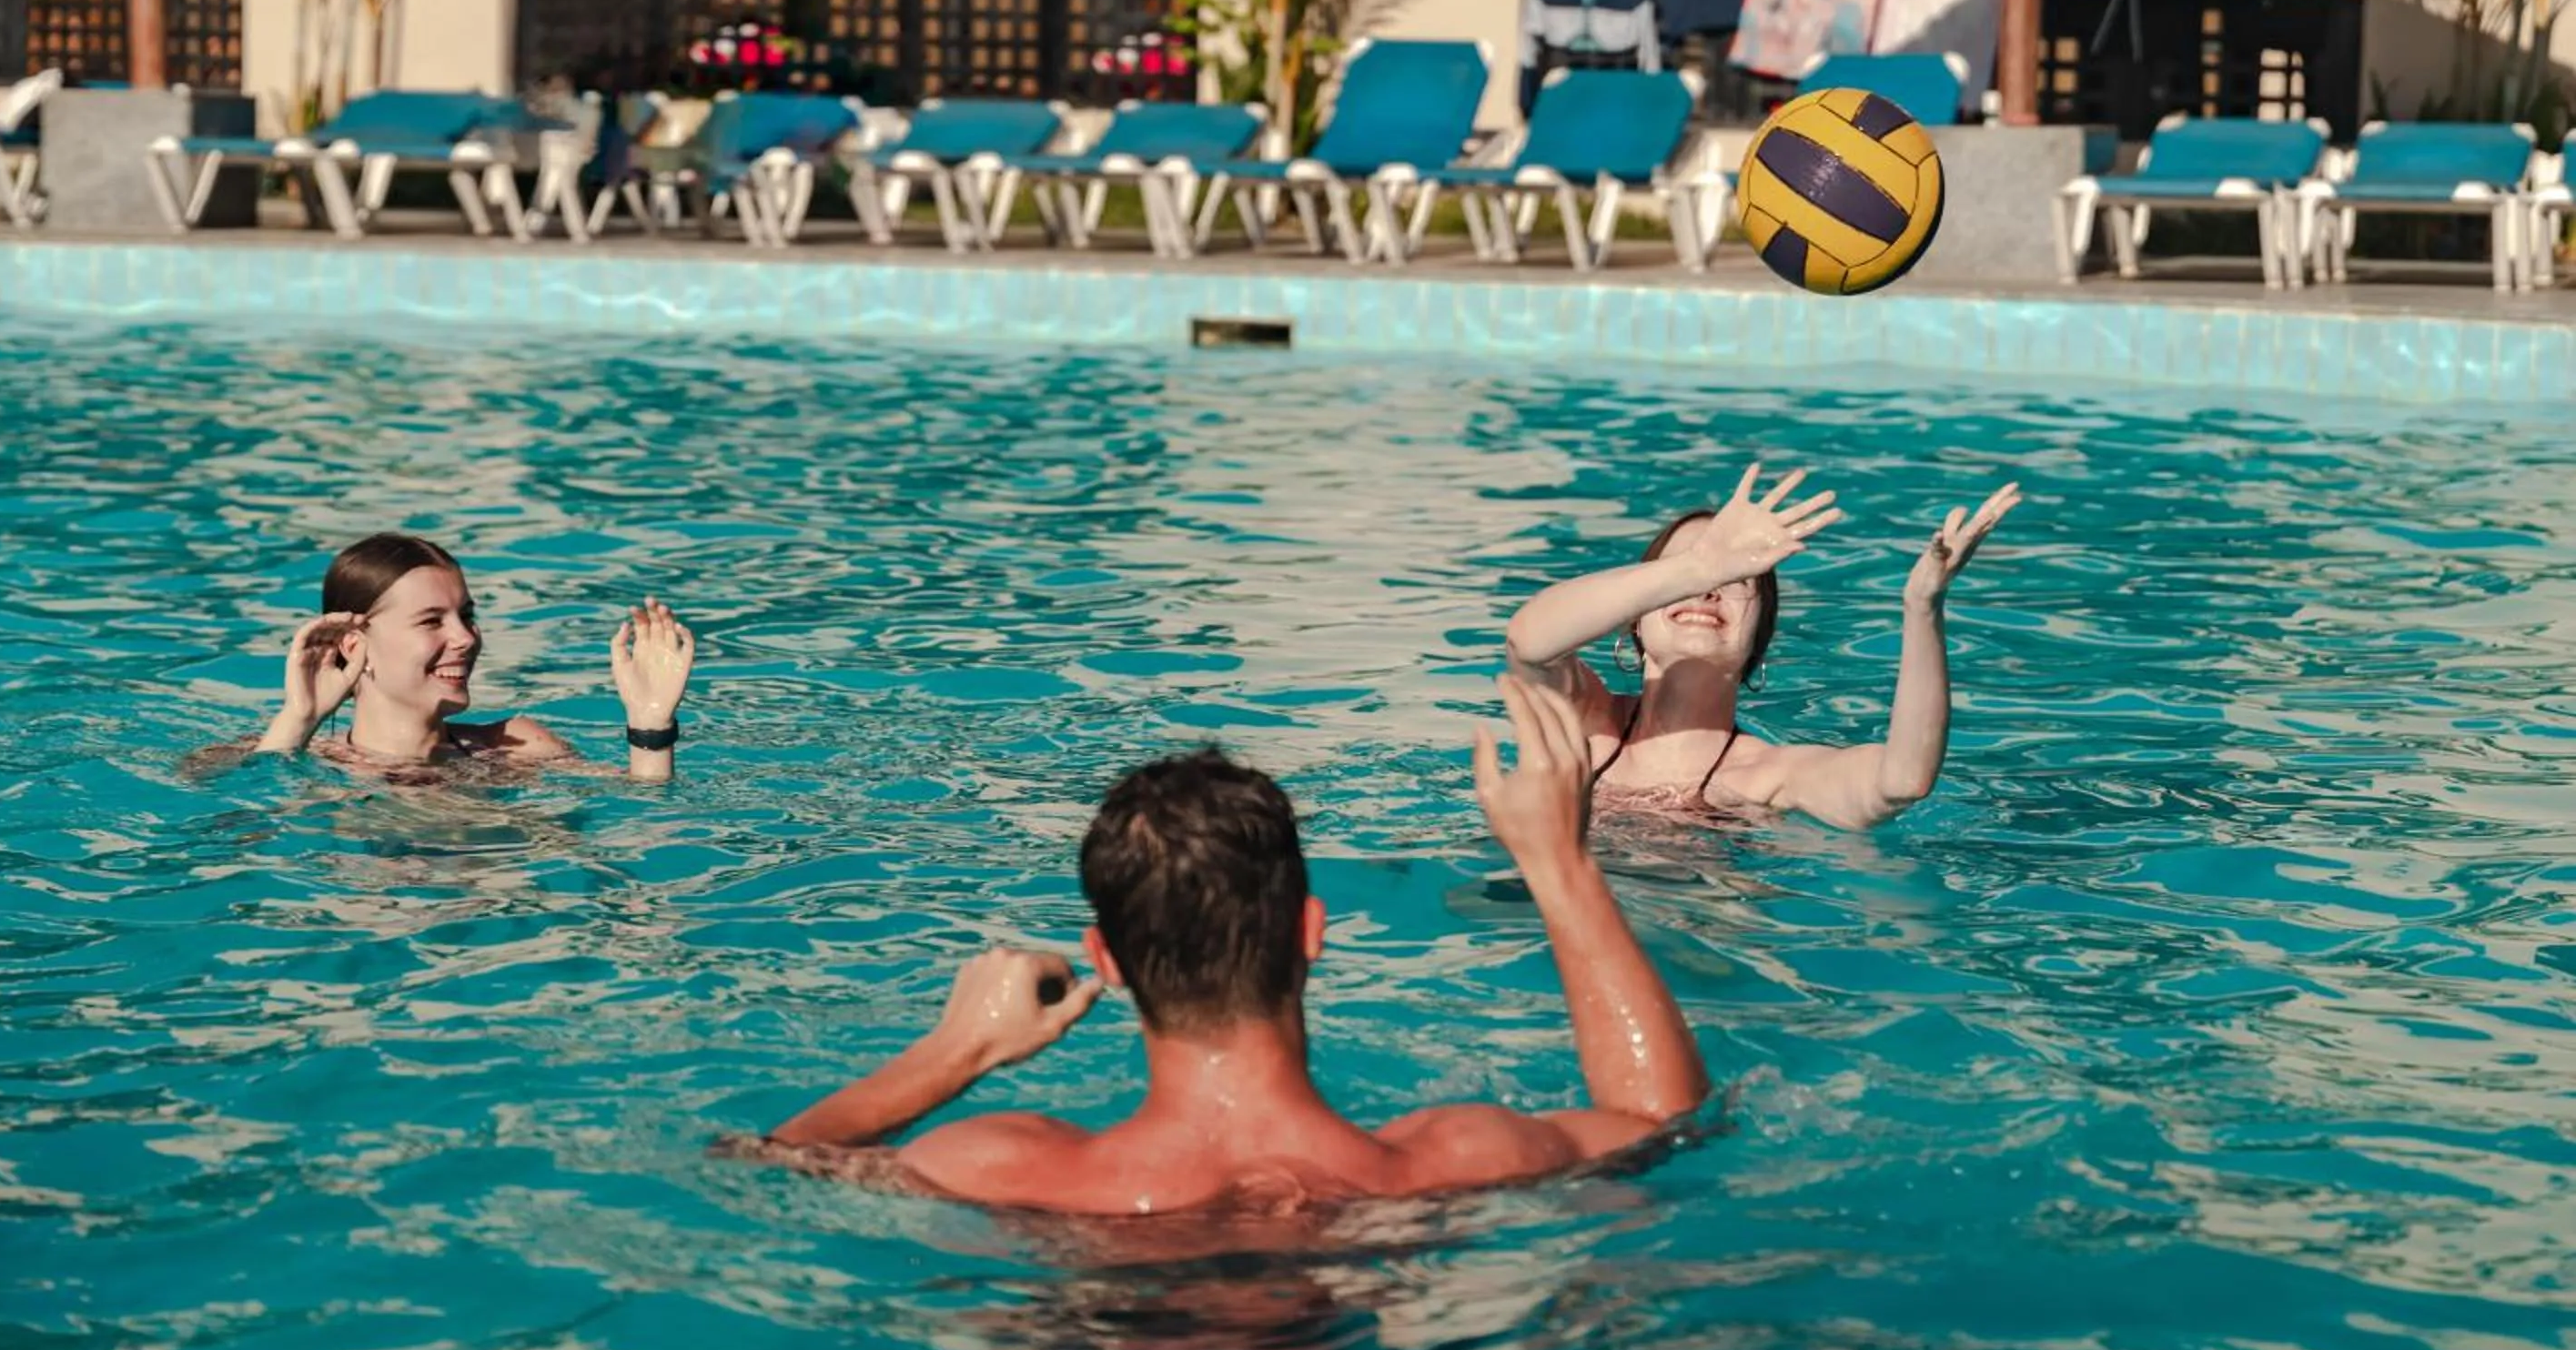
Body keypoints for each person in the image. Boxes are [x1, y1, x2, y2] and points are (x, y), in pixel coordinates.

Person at [716, 678, 1707, 1213]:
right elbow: (1661, 1122)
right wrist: (1560, 866)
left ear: (1105, 959)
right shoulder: (1452, 1156)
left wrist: (958, 1049)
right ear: (1311, 933)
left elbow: (759, 1163)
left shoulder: (1002, 1165)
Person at [1502, 462, 2018, 830]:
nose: (1707, 589)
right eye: (1683, 574)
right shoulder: (1584, 724)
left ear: (1758, 639)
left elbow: (1902, 780)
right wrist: (1700, 566)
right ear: (1635, 621)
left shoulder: (1770, 776)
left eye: (1738, 577)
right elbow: (1529, 641)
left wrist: (1922, 607)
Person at [250, 532, 696, 782]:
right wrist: (299, 718)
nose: (465, 638)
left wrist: (650, 724)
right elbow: (252, 833)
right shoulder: (300, 760)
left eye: (466, 615)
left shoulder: (517, 749)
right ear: (354, 646)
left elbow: (645, 824)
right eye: (431, 621)